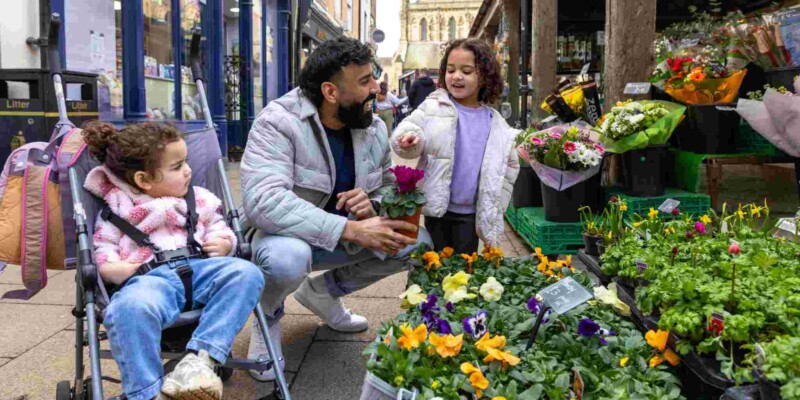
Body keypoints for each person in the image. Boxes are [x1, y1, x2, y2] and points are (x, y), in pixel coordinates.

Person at [240, 36, 432, 382]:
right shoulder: (278, 123)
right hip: (282, 238)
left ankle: (322, 294)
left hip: (342, 236)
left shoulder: (371, 126)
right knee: (288, 260)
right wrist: (351, 229)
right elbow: (262, 201)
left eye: (373, 76)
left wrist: (372, 205)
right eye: (364, 81)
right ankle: (267, 319)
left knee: (413, 240)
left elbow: (388, 185)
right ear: (330, 92)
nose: (376, 87)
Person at [82, 121, 264, 400]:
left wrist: (225, 241)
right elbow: (103, 246)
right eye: (177, 167)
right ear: (144, 180)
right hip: (149, 280)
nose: (188, 170)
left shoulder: (200, 199)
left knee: (247, 273)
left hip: (203, 268)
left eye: (186, 162)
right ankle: (146, 393)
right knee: (126, 308)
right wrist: (110, 268)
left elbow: (218, 224)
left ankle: (199, 361)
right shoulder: (118, 208)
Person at [392, 38, 520, 254]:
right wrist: (409, 139)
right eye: (451, 70)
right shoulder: (434, 105)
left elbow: (508, 168)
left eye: (467, 71)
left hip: (471, 212)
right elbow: (409, 129)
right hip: (437, 207)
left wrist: (496, 204)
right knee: (432, 263)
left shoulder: (495, 122)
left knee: (463, 271)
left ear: (485, 77)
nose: (457, 76)